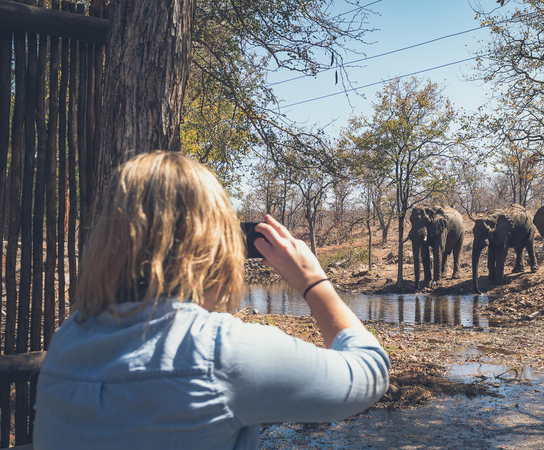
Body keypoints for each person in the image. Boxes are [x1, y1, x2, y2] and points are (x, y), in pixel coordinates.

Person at [33, 151, 389, 449]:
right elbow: (369, 372)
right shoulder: (220, 351)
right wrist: (314, 282)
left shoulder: (69, 339)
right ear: (212, 247)